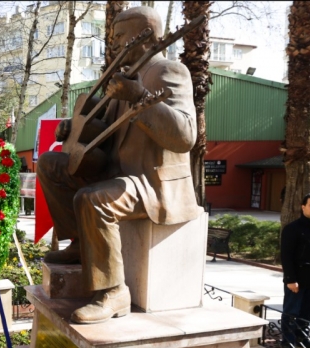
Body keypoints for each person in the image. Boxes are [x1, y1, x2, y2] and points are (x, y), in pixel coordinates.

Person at [37, 6, 199, 324]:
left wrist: (139, 97)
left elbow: (185, 136)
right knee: (50, 164)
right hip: (118, 173)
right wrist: (73, 127)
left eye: (120, 36)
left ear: (145, 36)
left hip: (151, 181)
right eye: (112, 37)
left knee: (94, 199)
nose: (112, 43)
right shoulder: (124, 75)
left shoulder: (168, 71)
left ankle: (113, 292)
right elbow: (108, 130)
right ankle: (81, 243)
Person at [280, 193, 310, 348]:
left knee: (307, 312)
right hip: (296, 281)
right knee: (291, 312)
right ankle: (287, 342)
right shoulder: (292, 229)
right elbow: (286, 256)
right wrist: (290, 279)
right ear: (303, 207)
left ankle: (302, 339)